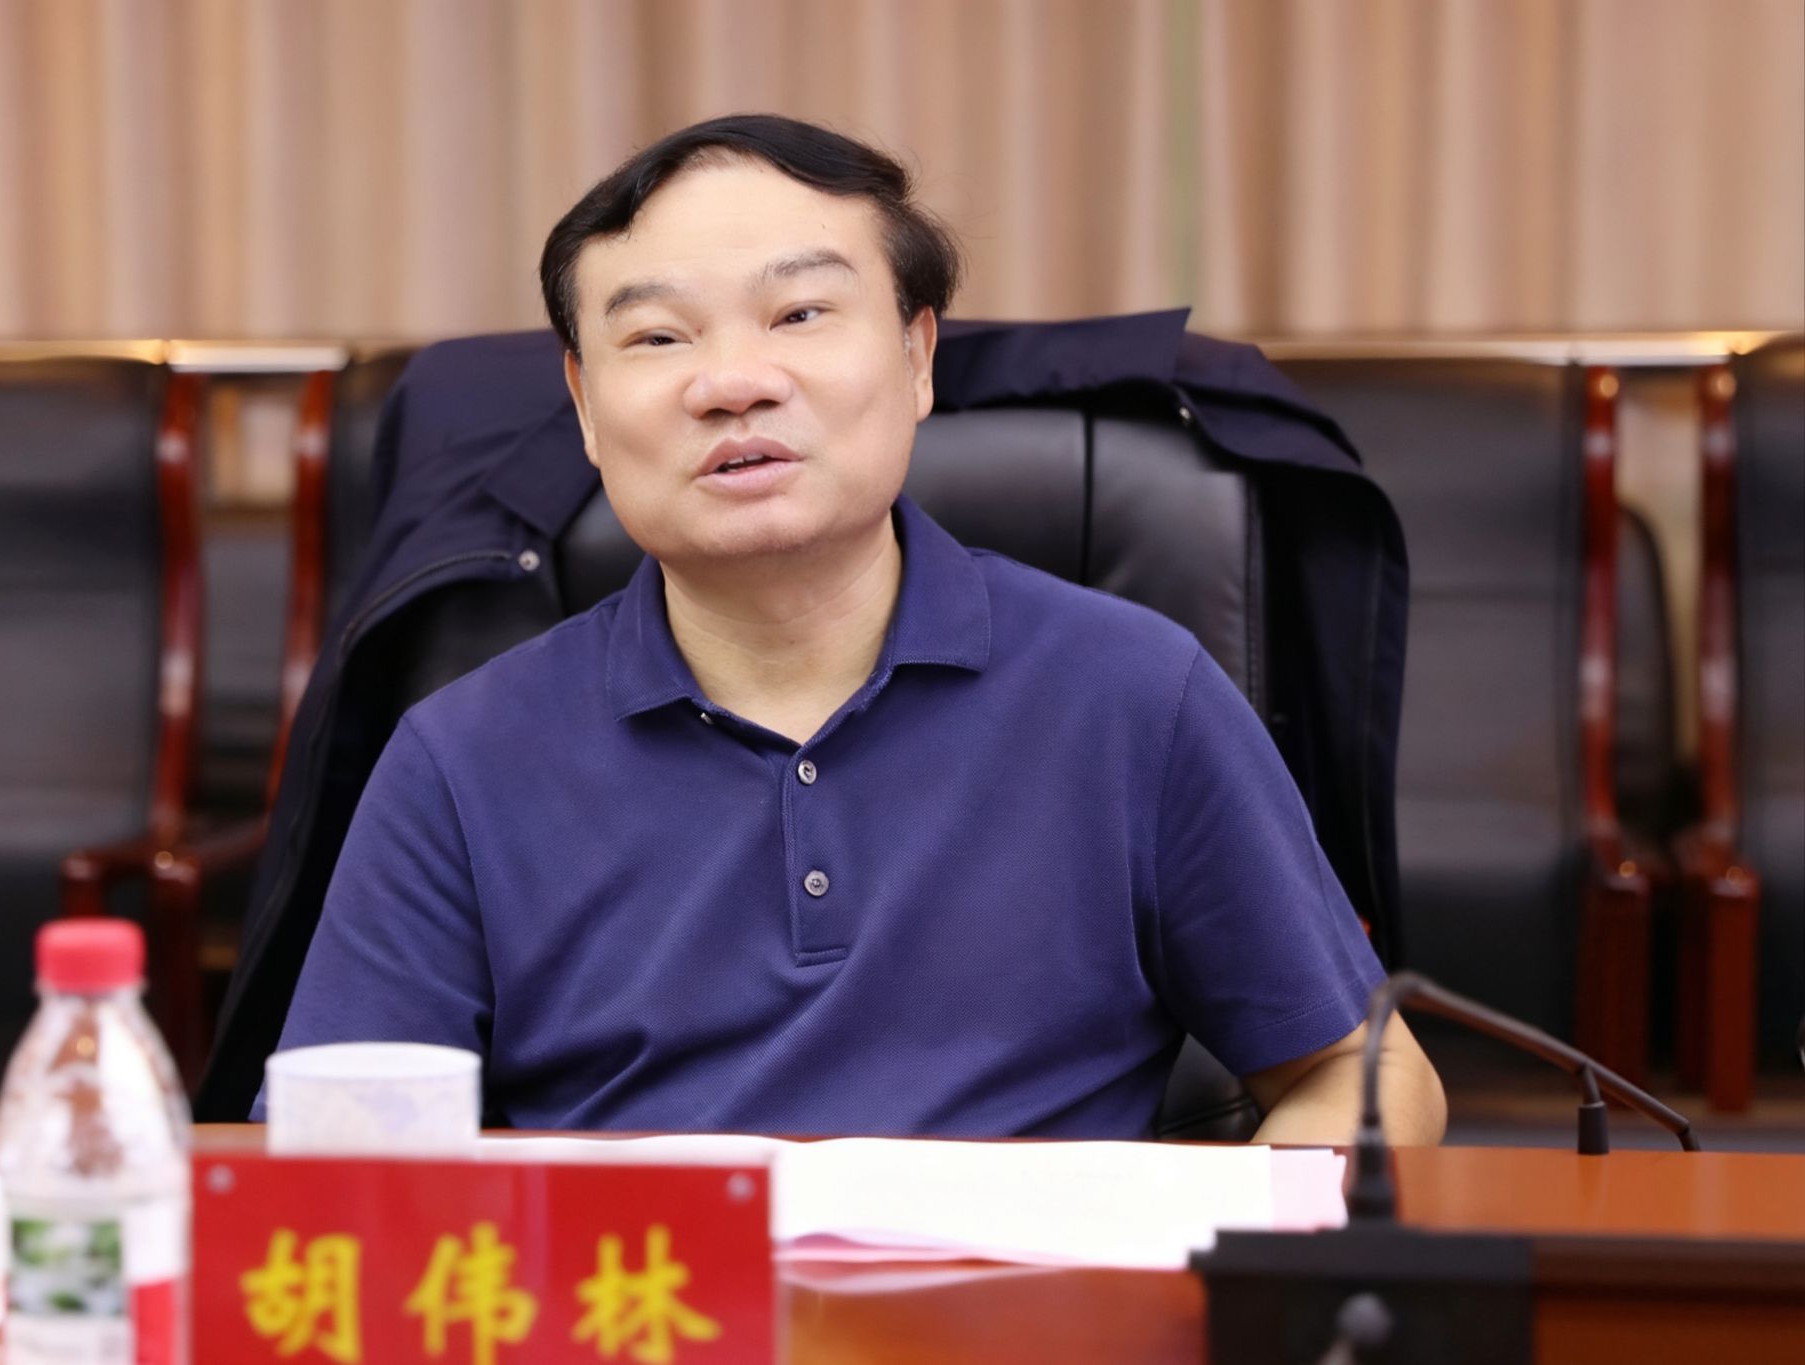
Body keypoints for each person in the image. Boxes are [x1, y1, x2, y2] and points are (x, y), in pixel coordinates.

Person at [265, 114, 1446, 1145]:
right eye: (658, 337)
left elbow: (1361, 1073)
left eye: (799, 313)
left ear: (918, 357)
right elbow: (334, 1148)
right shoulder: (462, 756)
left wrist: (1212, 1282)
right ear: (581, 404)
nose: (732, 382)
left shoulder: (1132, 692)